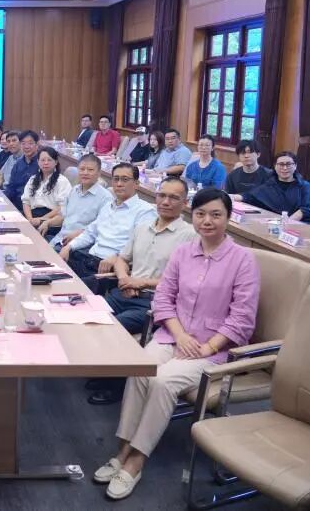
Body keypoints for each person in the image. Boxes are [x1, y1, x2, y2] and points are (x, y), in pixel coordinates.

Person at [95, 188, 258, 501]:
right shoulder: (183, 252)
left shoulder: (243, 260)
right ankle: (123, 448)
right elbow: (164, 299)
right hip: (174, 335)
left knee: (163, 381)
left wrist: (208, 347)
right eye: (200, 214)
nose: (207, 221)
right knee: (140, 369)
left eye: (216, 215)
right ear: (192, 216)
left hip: (213, 347)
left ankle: (137, 460)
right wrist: (180, 335)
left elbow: (242, 318)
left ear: (228, 218)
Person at [86, 178, 197, 406]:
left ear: (185, 203)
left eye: (174, 198)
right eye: (162, 196)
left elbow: (185, 281)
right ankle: (103, 369)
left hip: (155, 302)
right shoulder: (142, 228)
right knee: (90, 315)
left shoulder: (190, 236)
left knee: (117, 326)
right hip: (125, 291)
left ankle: (116, 385)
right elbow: (121, 259)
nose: (165, 202)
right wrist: (125, 279)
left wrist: (142, 283)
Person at [59, 163, 156, 278]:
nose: (119, 184)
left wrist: (119, 258)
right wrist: (69, 247)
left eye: (125, 180)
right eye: (116, 179)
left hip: (109, 268)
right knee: (52, 269)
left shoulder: (145, 211)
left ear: (136, 184)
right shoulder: (108, 206)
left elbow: (142, 247)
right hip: (89, 257)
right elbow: (90, 233)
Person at [51, 154, 113, 249]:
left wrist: (78, 234)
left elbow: (100, 229)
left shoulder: (106, 198)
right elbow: (62, 216)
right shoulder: (74, 190)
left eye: (90, 170)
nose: (85, 173)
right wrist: (47, 222)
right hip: (59, 239)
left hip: (79, 246)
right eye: (82, 169)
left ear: (99, 173)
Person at [233, 151, 310, 222]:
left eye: (289, 164)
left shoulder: (304, 186)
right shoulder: (269, 184)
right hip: (273, 223)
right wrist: (231, 197)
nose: (285, 168)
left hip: (298, 224)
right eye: (281, 164)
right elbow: (250, 196)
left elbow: (306, 209)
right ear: (275, 166)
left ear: (295, 165)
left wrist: (287, 222)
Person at [22, 146, 72, 238]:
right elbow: (26, 202)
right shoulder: (33, 179)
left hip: (51, 219)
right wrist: (30, 219)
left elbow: (62, 207)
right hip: (32, 216)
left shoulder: (62, 181)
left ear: (56, 162)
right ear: (38, 162)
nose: (45, 163)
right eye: (42, 160)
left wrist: (41, 219)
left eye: (49, 160)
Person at [3, 130, 41, 210]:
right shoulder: (18, 164)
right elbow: (11, 187)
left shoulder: (42, 164)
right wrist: (2, 201)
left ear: (37, 145)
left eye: (30, 143)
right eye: (23, 143)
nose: (26, 147)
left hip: (34, 207)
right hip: (16, 205)